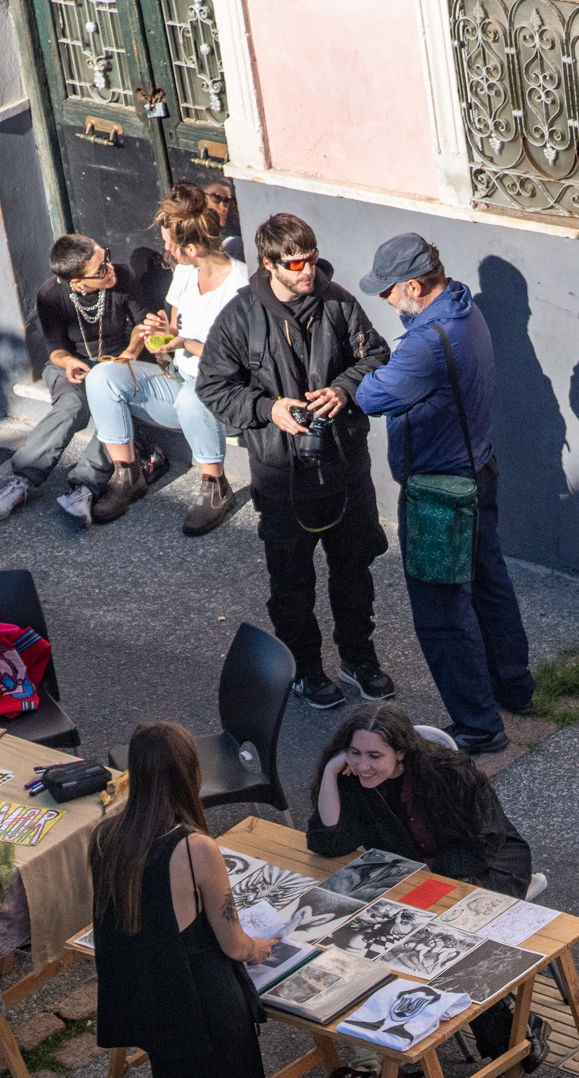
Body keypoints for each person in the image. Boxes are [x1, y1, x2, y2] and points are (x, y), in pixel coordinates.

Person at [91, 722, 297, 1078]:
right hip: (207, 1005)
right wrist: (262, 946)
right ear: (190, 773)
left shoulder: (107, 838)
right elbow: (234, 944)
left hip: (156, 1005)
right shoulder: (194, 848)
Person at [195, 212, 397, 711]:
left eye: (311, 258)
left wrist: (343, 389)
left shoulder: (338, 302)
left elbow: (376, 355)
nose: (308, 270)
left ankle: (358, 658)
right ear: (269, 264)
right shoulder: (240, 317)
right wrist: (270, 410)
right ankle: (305, 670)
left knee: (354, 570)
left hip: (345, 467)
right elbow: (213, 387)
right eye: (295, 263)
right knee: (291, 584)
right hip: (281, 475)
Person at [351, 231, 536, 755]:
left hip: (439, 495)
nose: (387, 301)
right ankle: (514, 688)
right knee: (489, 586)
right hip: (477, 472)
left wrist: (373, 372)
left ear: (413, 286)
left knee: (441, 613)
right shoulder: (464, 307)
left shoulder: (427, 343)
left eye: (388, 291)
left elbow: (372, 396)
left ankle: (478, 725)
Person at [307, 702, 540, 1078]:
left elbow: (485, 842)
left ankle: (504, 1043)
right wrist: (330, 771)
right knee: (373, 934)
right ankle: (500, 1025)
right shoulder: (354, 779)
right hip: (415, 875)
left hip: (484, 866)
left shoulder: (450, 773)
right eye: (354, 753)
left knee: (443, 945)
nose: (363, 765)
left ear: (401, 752)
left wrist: (424, 877)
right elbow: (328, 842)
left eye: (374, 755)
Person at [74, 192, 244, 534]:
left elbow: (240, 361)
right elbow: (175, 330)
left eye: (170, 244)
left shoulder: (241, 284)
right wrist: (161, 333)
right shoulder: (185, 272)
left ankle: (215, 486)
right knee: (102, 376)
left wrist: (186, 344)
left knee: (194, 396)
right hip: (180, 381)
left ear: (192, 247)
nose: (166, 249)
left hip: (226, 397)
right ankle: (128, 475)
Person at [0, 235, 168, 525]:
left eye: (107, 257)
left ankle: (84, 487)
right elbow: (56, 349)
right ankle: (22, 481)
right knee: (72, 405)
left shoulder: (122, 276)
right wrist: (69, 362)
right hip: (72, 365)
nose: (110, 268)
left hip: (115, 362)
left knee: (113, 407)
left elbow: (142, 324)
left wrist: (131, 353)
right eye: (100, 269)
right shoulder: (50, 295)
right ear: (77, 282)